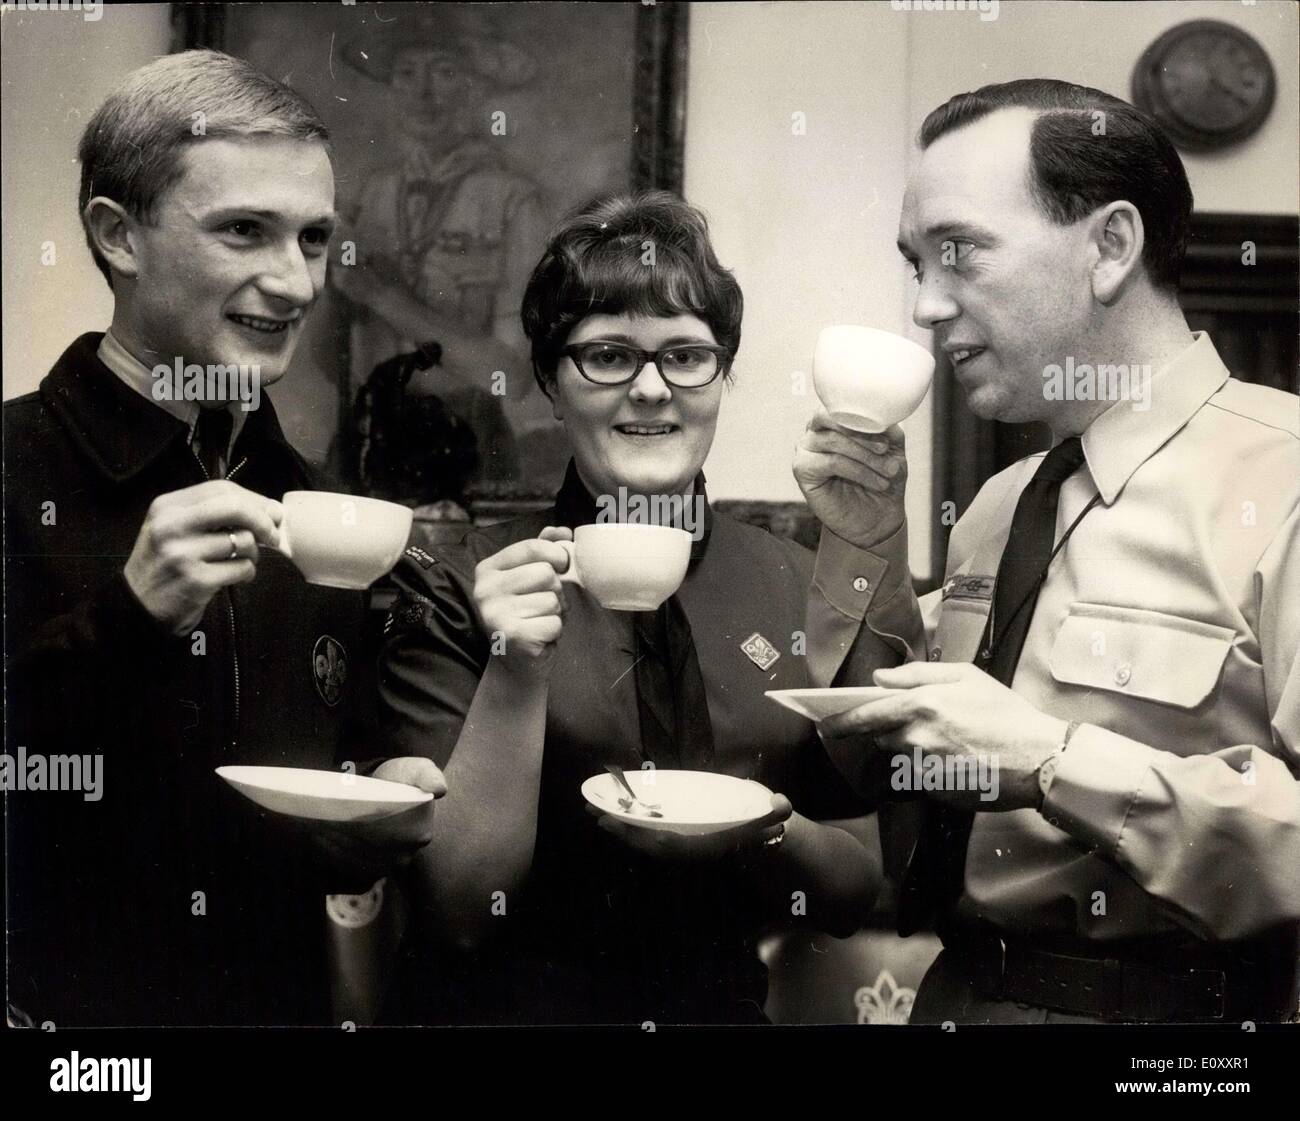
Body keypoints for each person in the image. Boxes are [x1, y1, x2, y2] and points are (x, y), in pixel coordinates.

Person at [801, 79, 1300, 1023]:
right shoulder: (998, 507)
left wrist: (1050, 760)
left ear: (1110, 246)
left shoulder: (1286, 483)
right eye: (914, 264)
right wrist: (863, 537)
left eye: (959, 254)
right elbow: (895, 774)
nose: (925, 305)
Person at [375, 192, 918, 1024]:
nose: (653, 389)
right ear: (551, 383)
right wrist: (516, 667)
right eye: (608, 356)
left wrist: (771, 827)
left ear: (723, 376)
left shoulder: (793, 577)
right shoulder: (461, 581)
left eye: (686, 356)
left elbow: (852, 889)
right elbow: (459, 906)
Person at [3, 50, 445, 1027]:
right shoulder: (11, 466)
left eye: (314, 238)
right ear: (117, 235)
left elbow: (290, 798)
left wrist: (375, 805)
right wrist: (127, 619)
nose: (293, 282)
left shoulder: (309, 500)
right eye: (245, 231)